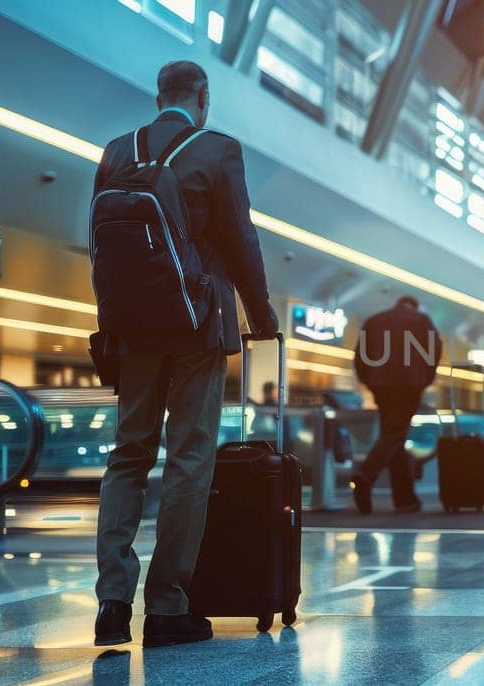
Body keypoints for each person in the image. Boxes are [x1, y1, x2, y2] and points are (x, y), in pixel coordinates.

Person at [91, 61, 279, 649]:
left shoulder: (117, 149)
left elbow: (101, 252)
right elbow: (239, 238)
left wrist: (111, 329)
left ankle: (112, 603)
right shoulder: (217, 150)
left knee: (129, 455)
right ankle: (168, 606)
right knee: (189, 458)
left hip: (134, 329)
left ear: (157, 97)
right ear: (202, 98)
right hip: (199, 326)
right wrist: (262, 318)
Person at [351, 295, 441, 515]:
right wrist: (425, 379)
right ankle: (365, 475)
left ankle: (405, 500)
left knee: (393, 438)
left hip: (381, 385)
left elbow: (359, 356)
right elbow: (435, 350)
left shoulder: (374, 320)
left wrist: (369, 381)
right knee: (394, 435)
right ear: (414, 304)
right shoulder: (421, 320)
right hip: (409, 385)